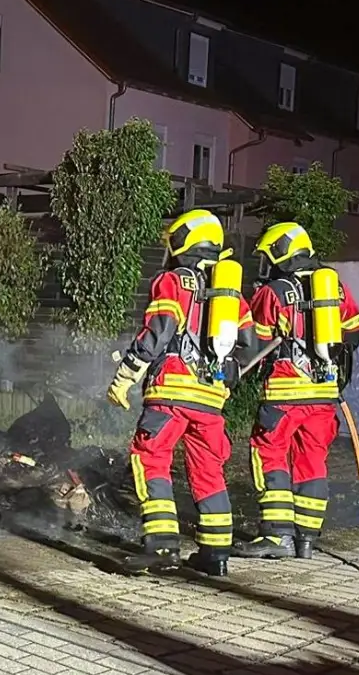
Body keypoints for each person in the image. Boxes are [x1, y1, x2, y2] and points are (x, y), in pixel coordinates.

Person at [106, 209, 252, 576]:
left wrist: (124, 377)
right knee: (209, 472)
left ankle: (162, 547)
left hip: (171, 391)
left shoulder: (173, 281)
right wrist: (226, 375)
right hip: (212, 399)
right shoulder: (231, 294)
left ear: (182, 241)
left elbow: (159, 331)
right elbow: (251, 344)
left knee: (149, 458)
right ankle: (216, 555)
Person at [234, 222, 359, 560]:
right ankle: (307, 540)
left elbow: (254, 342)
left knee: (270, 456)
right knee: (313, 462)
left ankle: (277, 538)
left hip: (284, 393)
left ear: (281, 252)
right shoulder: (333, 286)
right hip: (323, 394)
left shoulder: (274, 292)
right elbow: (354, 330)